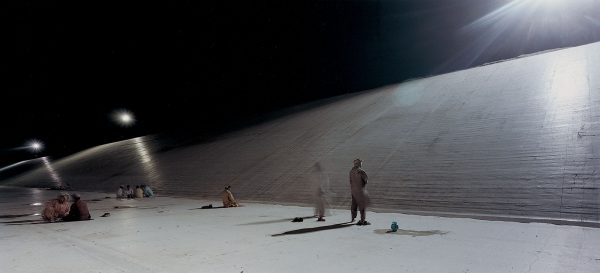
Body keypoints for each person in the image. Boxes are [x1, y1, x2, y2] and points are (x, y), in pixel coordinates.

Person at [349, 158, 370, 225]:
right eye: (361, 162)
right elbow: (366, 181)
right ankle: (362, 220)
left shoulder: (351, 171)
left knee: (354, 204)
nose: (361, 164)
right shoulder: (361, 171)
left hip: (353, 190)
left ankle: (353, 218)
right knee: (362, 206)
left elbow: (350, 181)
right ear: (359, 163)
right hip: (360, 190)